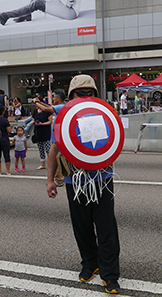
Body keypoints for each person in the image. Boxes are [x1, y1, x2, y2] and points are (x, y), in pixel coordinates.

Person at [47, 75, 120, 294]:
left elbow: (114, 139)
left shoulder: (105, 112)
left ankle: (110, 274)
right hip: (75, 180)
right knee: (82, 227)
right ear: (71, 96)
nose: (86, 96)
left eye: (90, 92)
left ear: (96, 94)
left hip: (102, 179)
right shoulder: (64, 117)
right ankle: (90, 262)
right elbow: (54, 149)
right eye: (81, 93)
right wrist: (50, 179)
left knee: (107, 229)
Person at [32, 88, 66, 186]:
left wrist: (35, 102)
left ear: (58, 98)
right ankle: (58, 178)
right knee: (57, 158)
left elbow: (46, 109)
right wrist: (41, 102)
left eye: (54, 97)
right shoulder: (60, 106)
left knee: (56, 158)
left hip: (57, 137)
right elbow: (49, 106)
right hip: (56, 136)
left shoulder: (61, 106)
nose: (53, 98)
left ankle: (58, 179)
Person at [0, 0, 83, 26]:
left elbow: (69, 3)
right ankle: (27, 15)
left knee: (38, 3)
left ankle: (5, 16)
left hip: (70, 12)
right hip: (61, 4)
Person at [32, 95, 53, 170]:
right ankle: (43, 164)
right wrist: (33, 122)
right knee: (40, 149)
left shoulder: (47, 112)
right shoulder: (35, 112)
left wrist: (41, 124)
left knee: (48, 150)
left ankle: (51, 164)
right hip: (38, 132)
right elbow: (33, 119)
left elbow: (50, 122)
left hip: (46, 132)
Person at [0, 105, 12, 175]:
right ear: (3, 112)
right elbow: (9, 130)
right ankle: (7, 171)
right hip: (4, 138)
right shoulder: (5, 120)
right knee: (6, 155)